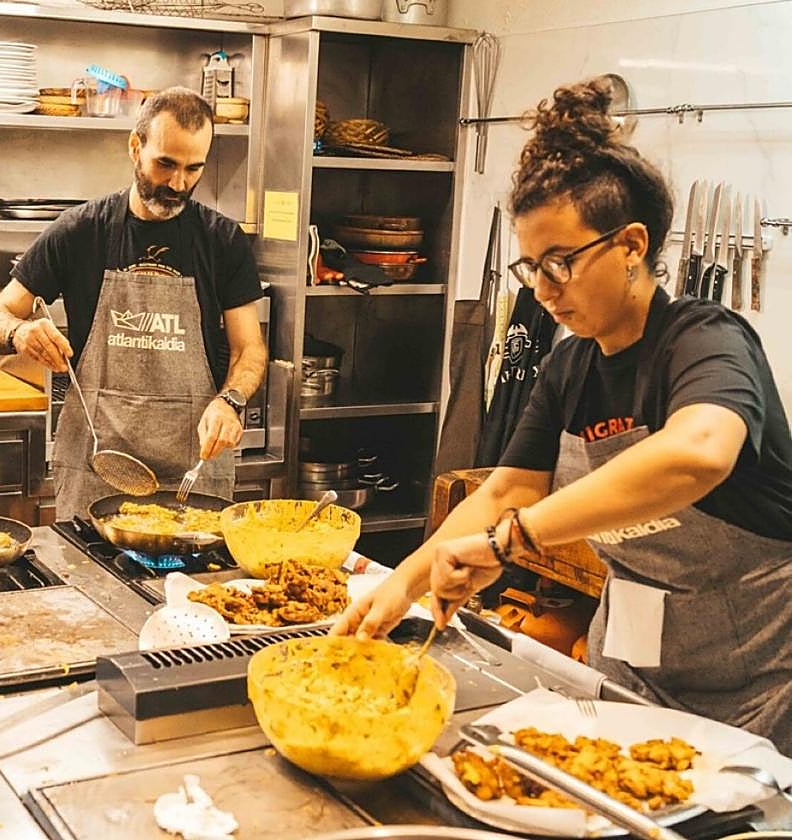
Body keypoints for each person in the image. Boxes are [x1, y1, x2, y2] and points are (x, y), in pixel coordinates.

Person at [333, 78, 792, 752]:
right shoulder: (570, 365)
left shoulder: (704, 339)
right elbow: (507, 490)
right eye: (531, 267)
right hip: (628, 666)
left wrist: (509, 543)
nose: (544, 290)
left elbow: (698, 453)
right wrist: (404, 581)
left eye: (561, 263)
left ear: (632, 245)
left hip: (756, 684)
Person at [0, 87, 267, 520]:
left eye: (194, 168)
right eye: (165, 164)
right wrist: (18, 333)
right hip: (96, 469)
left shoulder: (222, 241)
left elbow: (250, 349)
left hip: (193, 471)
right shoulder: (81, 232)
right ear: (135, 146)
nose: (178, 184)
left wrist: (232, 400)